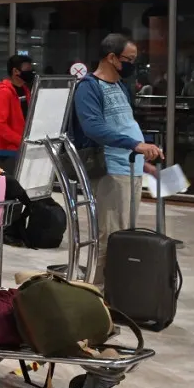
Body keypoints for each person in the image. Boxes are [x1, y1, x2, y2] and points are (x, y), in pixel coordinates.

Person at [72, 34, 162, 285]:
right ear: (111, 57)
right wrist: (136, 144)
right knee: (110, 234)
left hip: (131, 167)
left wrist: (144, 163)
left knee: (124, 232)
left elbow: (123, 124)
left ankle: (118, 288)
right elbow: (94, 127)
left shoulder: (121, 86)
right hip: (110, 169)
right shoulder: (88, 87)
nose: (133, 65)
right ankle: (99, 290)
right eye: (129, 59)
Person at [0, 54, 35, 152]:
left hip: (23, 147)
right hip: (8, 150)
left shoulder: (25, 90)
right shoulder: (4, 92)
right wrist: (21, 141)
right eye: (27, 69)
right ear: (15, 71)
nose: (30, 72)